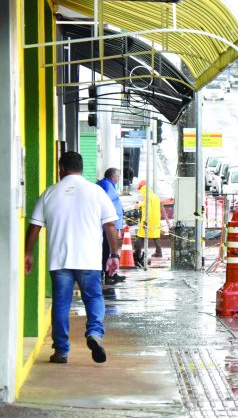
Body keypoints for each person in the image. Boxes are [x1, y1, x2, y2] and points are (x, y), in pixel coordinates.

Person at [24, 151, 119, 364]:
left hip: (60, 261)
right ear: (81, 168)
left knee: (61, 304)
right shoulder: (96, 192)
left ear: (61, 168)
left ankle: (61, 351)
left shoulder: (49, 193)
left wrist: (27, 253)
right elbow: (110, 226)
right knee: (94, 298)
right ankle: (94, 333)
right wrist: (114, 254)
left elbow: (34, 227)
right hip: (89, 260)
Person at [96, 168, 126, 285]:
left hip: (108, 224)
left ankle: (110, 273)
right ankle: (107, 274)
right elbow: (105, 204)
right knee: (107, 250)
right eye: (118, 177)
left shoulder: (107, 184)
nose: (118, 179)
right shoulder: (106, 185)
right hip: (107, 225)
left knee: (107, 250)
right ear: (113, 176)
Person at [134, 180, 163, 268]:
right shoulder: (154, 196)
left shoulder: (147, 196)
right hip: (156, 219)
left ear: (142, 188)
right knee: (155, 235)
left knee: (140, 236)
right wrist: (141, 205)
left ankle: (137, 253)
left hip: (148, 219)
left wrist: (145, 220)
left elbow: (148, 208)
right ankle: (159, 251)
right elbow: (148, 205)